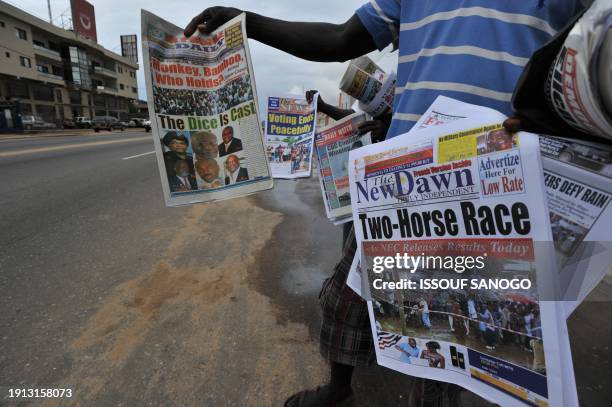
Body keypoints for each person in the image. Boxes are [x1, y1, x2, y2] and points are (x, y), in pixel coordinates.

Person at [184, 3, 588, 405]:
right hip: (398, 186)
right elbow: (342, 38)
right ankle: (339, 391)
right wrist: (246, 22)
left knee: (446, 352)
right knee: (346, 302)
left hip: (494, 184)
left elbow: (591, 53)